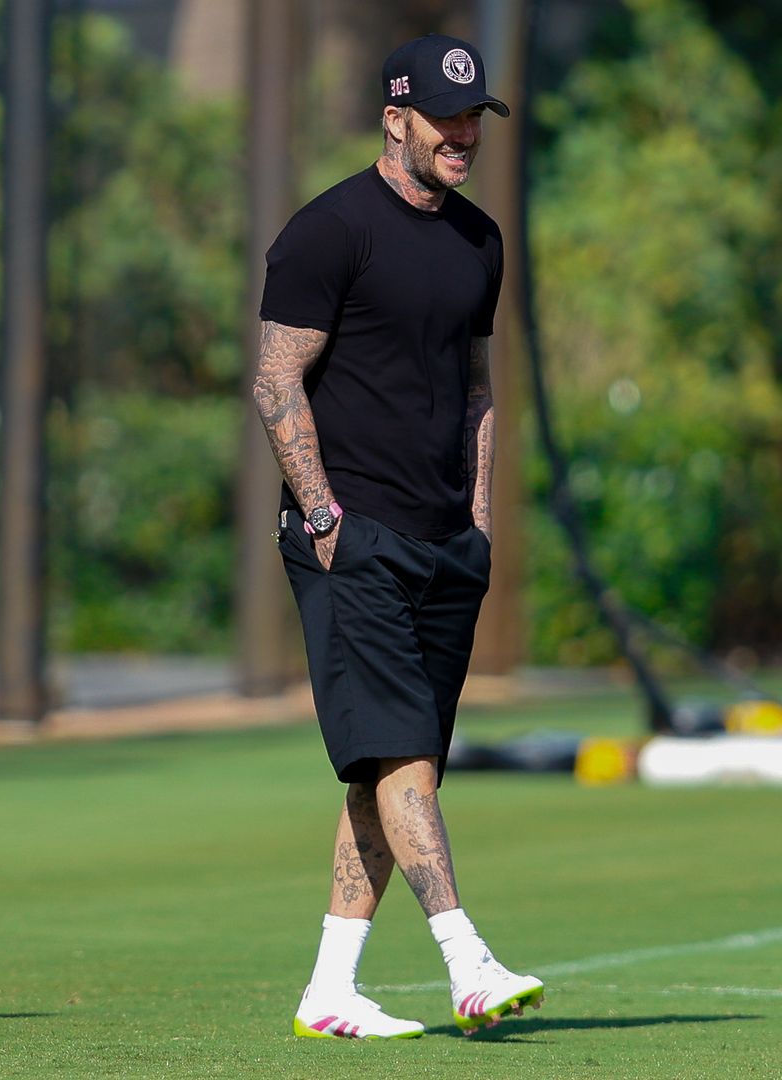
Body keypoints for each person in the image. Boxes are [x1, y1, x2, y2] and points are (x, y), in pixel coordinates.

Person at [252, 33, 544, 1041]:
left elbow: (476, 389)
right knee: (404, 757)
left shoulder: (479, 241)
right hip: (352, 537)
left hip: (443, 543)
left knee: (392, 770)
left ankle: (331, 988)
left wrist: (478, 518)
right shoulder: (329, 231)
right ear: (395, 117)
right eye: (444, 117)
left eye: (474, 117)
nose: (462, 134)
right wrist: (324, 515)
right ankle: (468, 960)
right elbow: (275, 380)